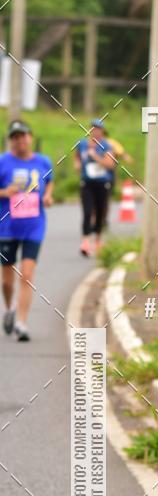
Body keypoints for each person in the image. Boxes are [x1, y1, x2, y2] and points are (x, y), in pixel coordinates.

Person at [0, 121, 53, 341]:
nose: (20, 141)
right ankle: (9, 308)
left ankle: (22, 323)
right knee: (7, 281)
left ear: (30, 137)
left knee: (27, 275)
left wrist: (48, 195)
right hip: (7, 227)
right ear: (10, 140)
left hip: (34, 225)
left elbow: (49, 181)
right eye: (15, 137)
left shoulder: (43, 161)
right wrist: (5, 192)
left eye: (23, 136)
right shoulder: (3, 162)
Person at [74, 119, 115, 256]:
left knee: (100, 213)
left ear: (102, 131)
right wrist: (78, 164)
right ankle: (85, 242)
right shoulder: (82, 144)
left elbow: (110, 164)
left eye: (98, 129)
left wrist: (96, 157)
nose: (95, 131)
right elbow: (77, 157)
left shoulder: (106, 146)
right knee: (86, 212)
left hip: (102, 184)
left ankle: (97, 240)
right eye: (93, 129)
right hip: (87, 183)